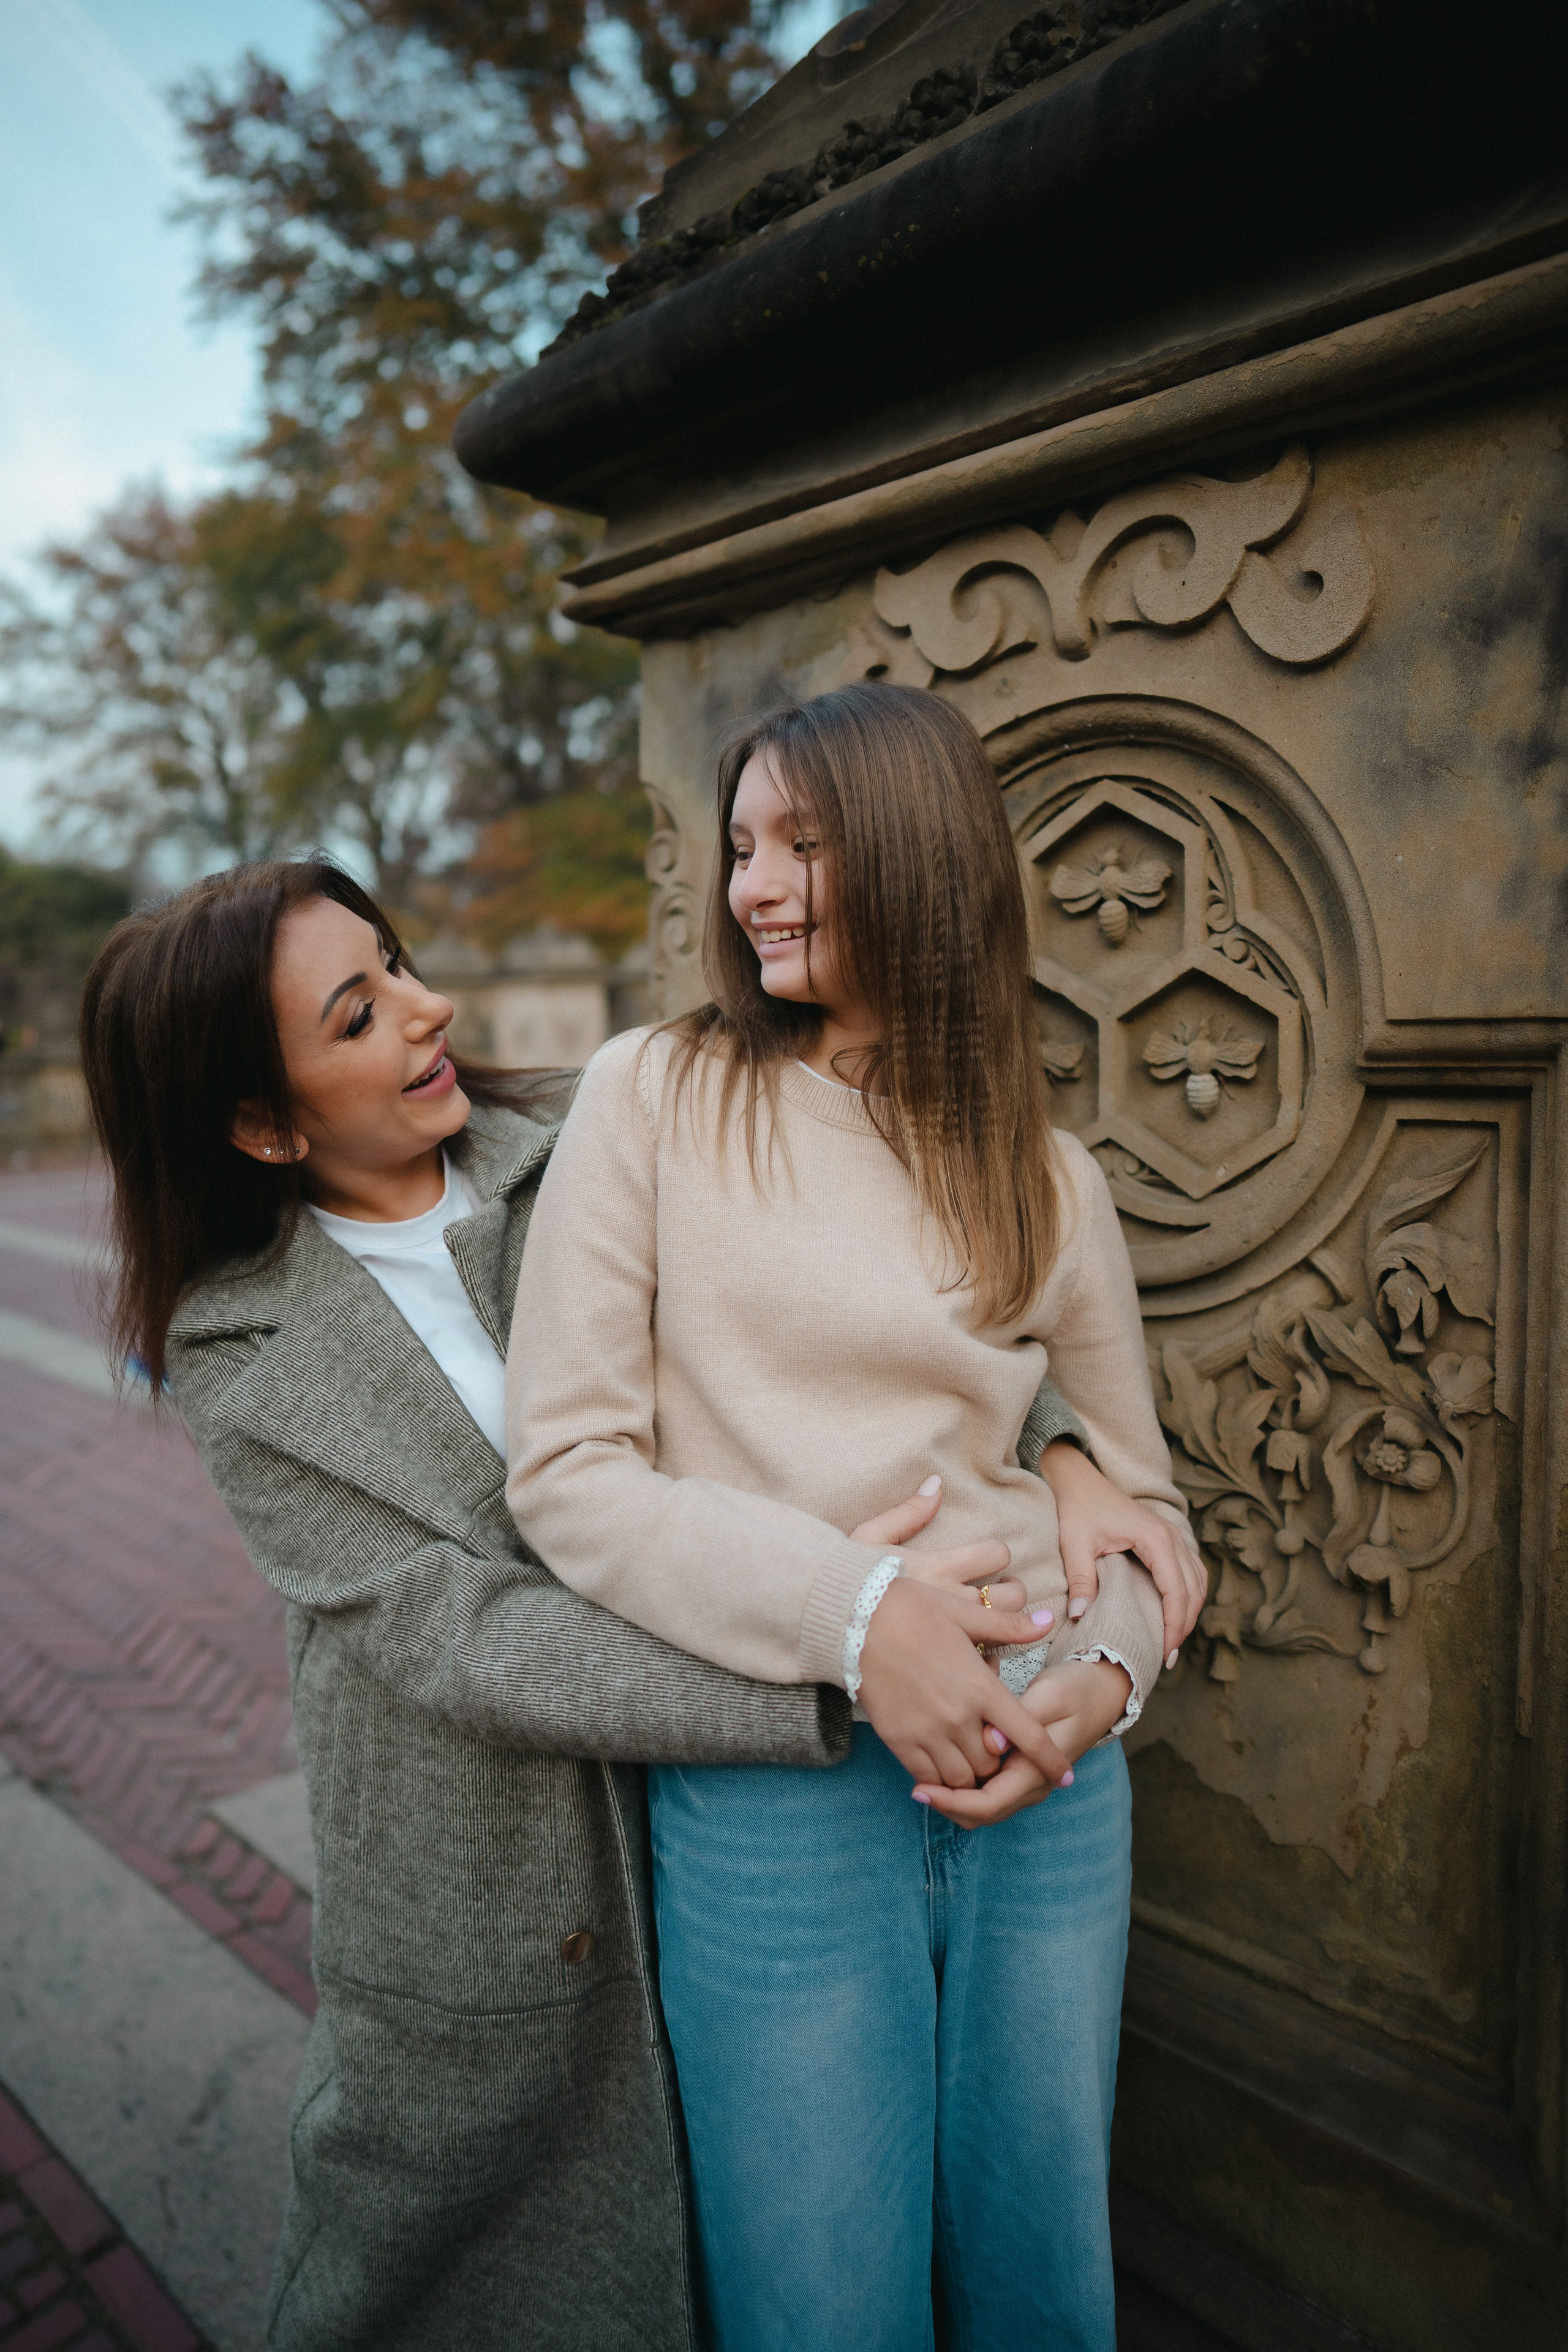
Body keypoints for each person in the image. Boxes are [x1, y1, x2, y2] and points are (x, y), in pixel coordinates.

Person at [77, 854, 1188, 2352]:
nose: (429, 1009)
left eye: (399, 963)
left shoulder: (597, 1130)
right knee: (450, 2269)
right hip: (499, 1872)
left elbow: (890, 1298)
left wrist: (1062, 1444)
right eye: (359, 1013)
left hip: (743, 1825)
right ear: (261, 1123)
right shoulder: (241, 1351)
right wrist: (843, 1651)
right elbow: (460, 1633)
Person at [507, 682, 1205, 2352]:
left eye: (803, 843)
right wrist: (856, 1609)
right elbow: (569, 1470)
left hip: (1054, 1786)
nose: (753, 885)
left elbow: (1148, 1501)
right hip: (780, 1784)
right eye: (743, 845)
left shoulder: (1045, 1170)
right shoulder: (654, 1095)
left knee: (1048, 2272)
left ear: (920, 854)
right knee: (819, 2294)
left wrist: (1097, 1693)